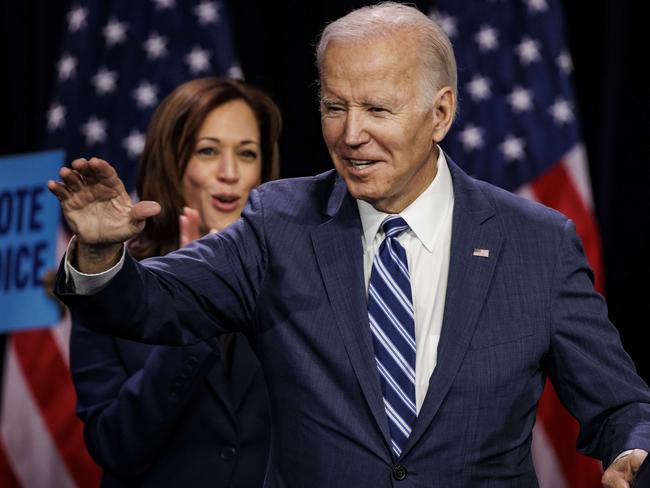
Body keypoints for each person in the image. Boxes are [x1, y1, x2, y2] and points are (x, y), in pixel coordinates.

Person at [50, 3, 650, 487]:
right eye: (334, 107)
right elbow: (151, 302)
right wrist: (101, 255)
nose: (350, 134)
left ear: (440, 113)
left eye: (376, 109)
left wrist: (632, 450)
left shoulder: (537, 244)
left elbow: (619, 404)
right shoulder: (279, 222)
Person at [67, 77, 281, 487]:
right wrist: (193, 299)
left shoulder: (297, 277)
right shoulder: (113, 288)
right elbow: (115, 448)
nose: (230, 173)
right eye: (208, 151)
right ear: (172, 163)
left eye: (247, 153)